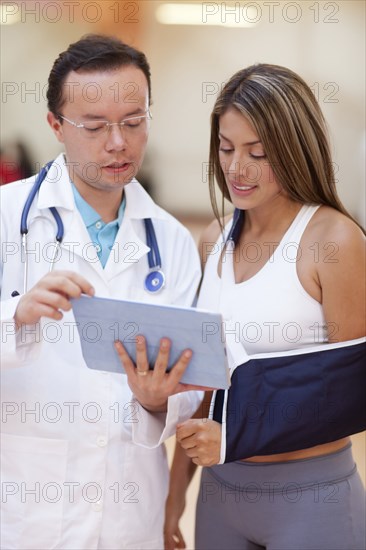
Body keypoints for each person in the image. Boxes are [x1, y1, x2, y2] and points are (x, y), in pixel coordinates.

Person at [0, 34, 203, 550]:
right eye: (94, 127)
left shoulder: (172, 242)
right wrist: (14, 316)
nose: (118, 143)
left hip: (127, 513)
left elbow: (193, 381)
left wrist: (160, 401)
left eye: (134, 122)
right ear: (56, 127)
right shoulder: (7, 219)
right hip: (25, 510)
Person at [164, 64, 366, 550]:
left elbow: (352, 392)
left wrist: (237, 436)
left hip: (311, 499)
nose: (237, 168)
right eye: (226, 148)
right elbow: (210, 390)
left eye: (258, 152)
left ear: (295, 150)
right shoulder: (212, 242)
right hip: (222, 495)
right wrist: (174, 498)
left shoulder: (334, 240)